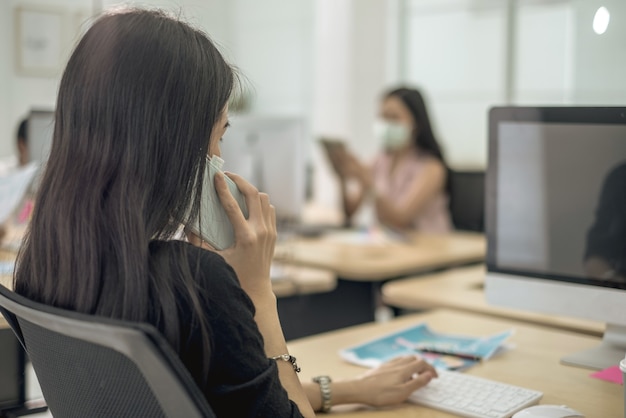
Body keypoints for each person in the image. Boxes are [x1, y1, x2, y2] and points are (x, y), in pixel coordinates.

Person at [13, 9, 436, 416]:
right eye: (218, 135)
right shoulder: (197, 284)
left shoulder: (45, 260)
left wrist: (339, 390)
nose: (218, 156)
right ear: (174, 146)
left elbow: (213, 393)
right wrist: (257, 293)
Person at [326, 87, 452, 232]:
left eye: (393, 117)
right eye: (382, 117)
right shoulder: (379, 161)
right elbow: (349, 212)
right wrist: (342, 178)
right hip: (391, 248)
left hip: (430, 248)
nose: (386, 124)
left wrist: (368, 184)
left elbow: (401, 219)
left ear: (416, 123)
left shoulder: (432, 168)